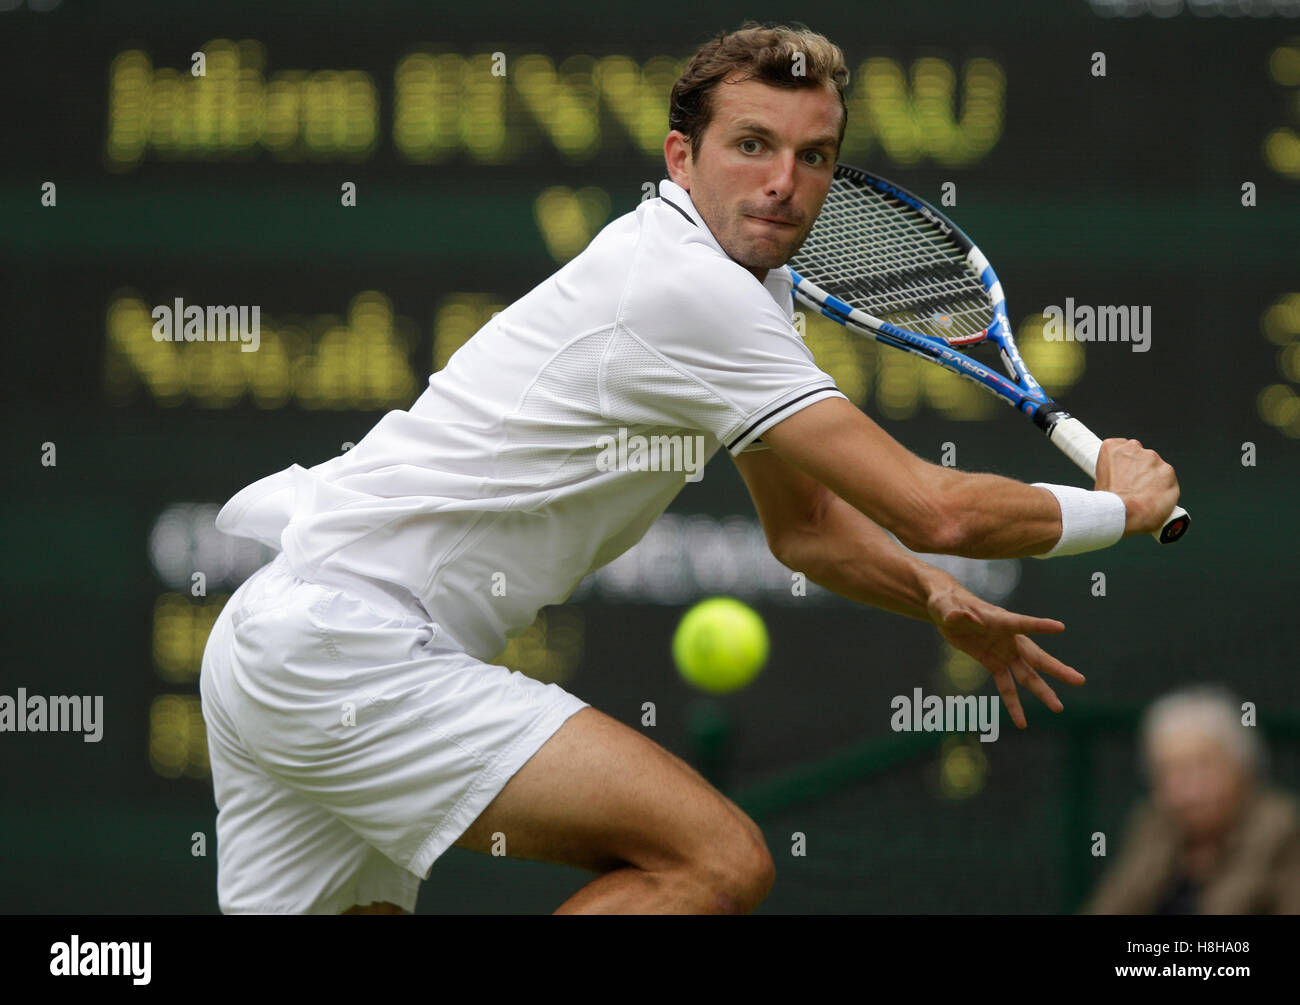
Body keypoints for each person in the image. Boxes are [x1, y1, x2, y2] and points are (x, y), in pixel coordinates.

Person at [199, 22, 1181, 915]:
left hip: (283, 643)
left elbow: (806, 530)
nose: (784, 180)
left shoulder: (749, 291)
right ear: (682, 156)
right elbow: (936, 509)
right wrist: (1114, 511)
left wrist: (935, 601)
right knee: (712, 861)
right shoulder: (690, 291)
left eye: (814, 157)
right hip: (348, 651)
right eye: (752, 145)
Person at [1084, 686, 1300, 914]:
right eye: (1171, 773)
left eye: (1203, 768)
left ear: (1242, 768)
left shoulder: (1284, 831)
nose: (1189, 791)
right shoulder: (1154, 825)